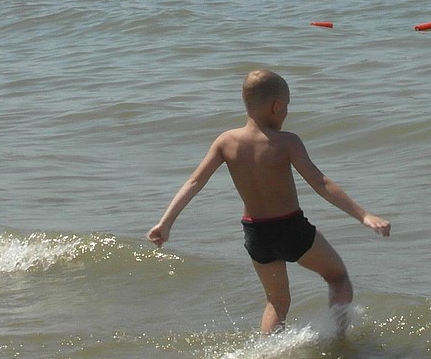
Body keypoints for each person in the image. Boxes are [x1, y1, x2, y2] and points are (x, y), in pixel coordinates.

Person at [148, 69, 390, 334]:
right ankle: (337, 338)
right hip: (290, 228)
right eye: (287, 105)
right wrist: (364, 215)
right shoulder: (287, 142)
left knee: (277, 301)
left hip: (256, 233)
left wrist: (165, 223)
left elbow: (194, 182)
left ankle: (268, 351)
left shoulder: (225, 141)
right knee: (338, 277)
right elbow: (320, 183)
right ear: (277, 106)